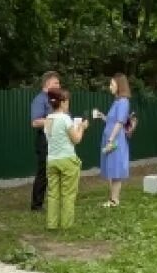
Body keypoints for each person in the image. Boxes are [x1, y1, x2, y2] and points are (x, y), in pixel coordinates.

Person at [42, 88, 87, 230]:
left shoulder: (48, 120)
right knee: (68, 194)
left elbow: (50, 138)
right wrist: (82, 127)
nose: (68, 104)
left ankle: (52, 224)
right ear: (62, 103)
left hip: (52, 160)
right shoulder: (66, 119)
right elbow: (76, 140)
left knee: (53, 194)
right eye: (67, 101)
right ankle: (66, 225)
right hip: (67, 160)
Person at [96, 73, 132, 208]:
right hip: (110, 137)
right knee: (111, 167)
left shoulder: (123, 101)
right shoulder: (117, 101)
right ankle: (112, 198)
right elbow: (112, 121)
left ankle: (114, 200)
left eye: (112, 84)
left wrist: (111, 138)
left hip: (115, 139)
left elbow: (120, 122)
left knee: (116, 169)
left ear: (119, 86)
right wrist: (102, 116)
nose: (109, 86)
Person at [30, 71, 61, 212]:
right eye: (56, 83)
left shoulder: (56, 100)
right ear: (47, 84)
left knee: (55, 171)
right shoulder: (40, 100)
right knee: (44, 172)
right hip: (44, 140)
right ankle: (36, 205)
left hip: (57, 140)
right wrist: (55, 121)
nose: (59, 85)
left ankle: (54, 202)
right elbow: (35, 122)